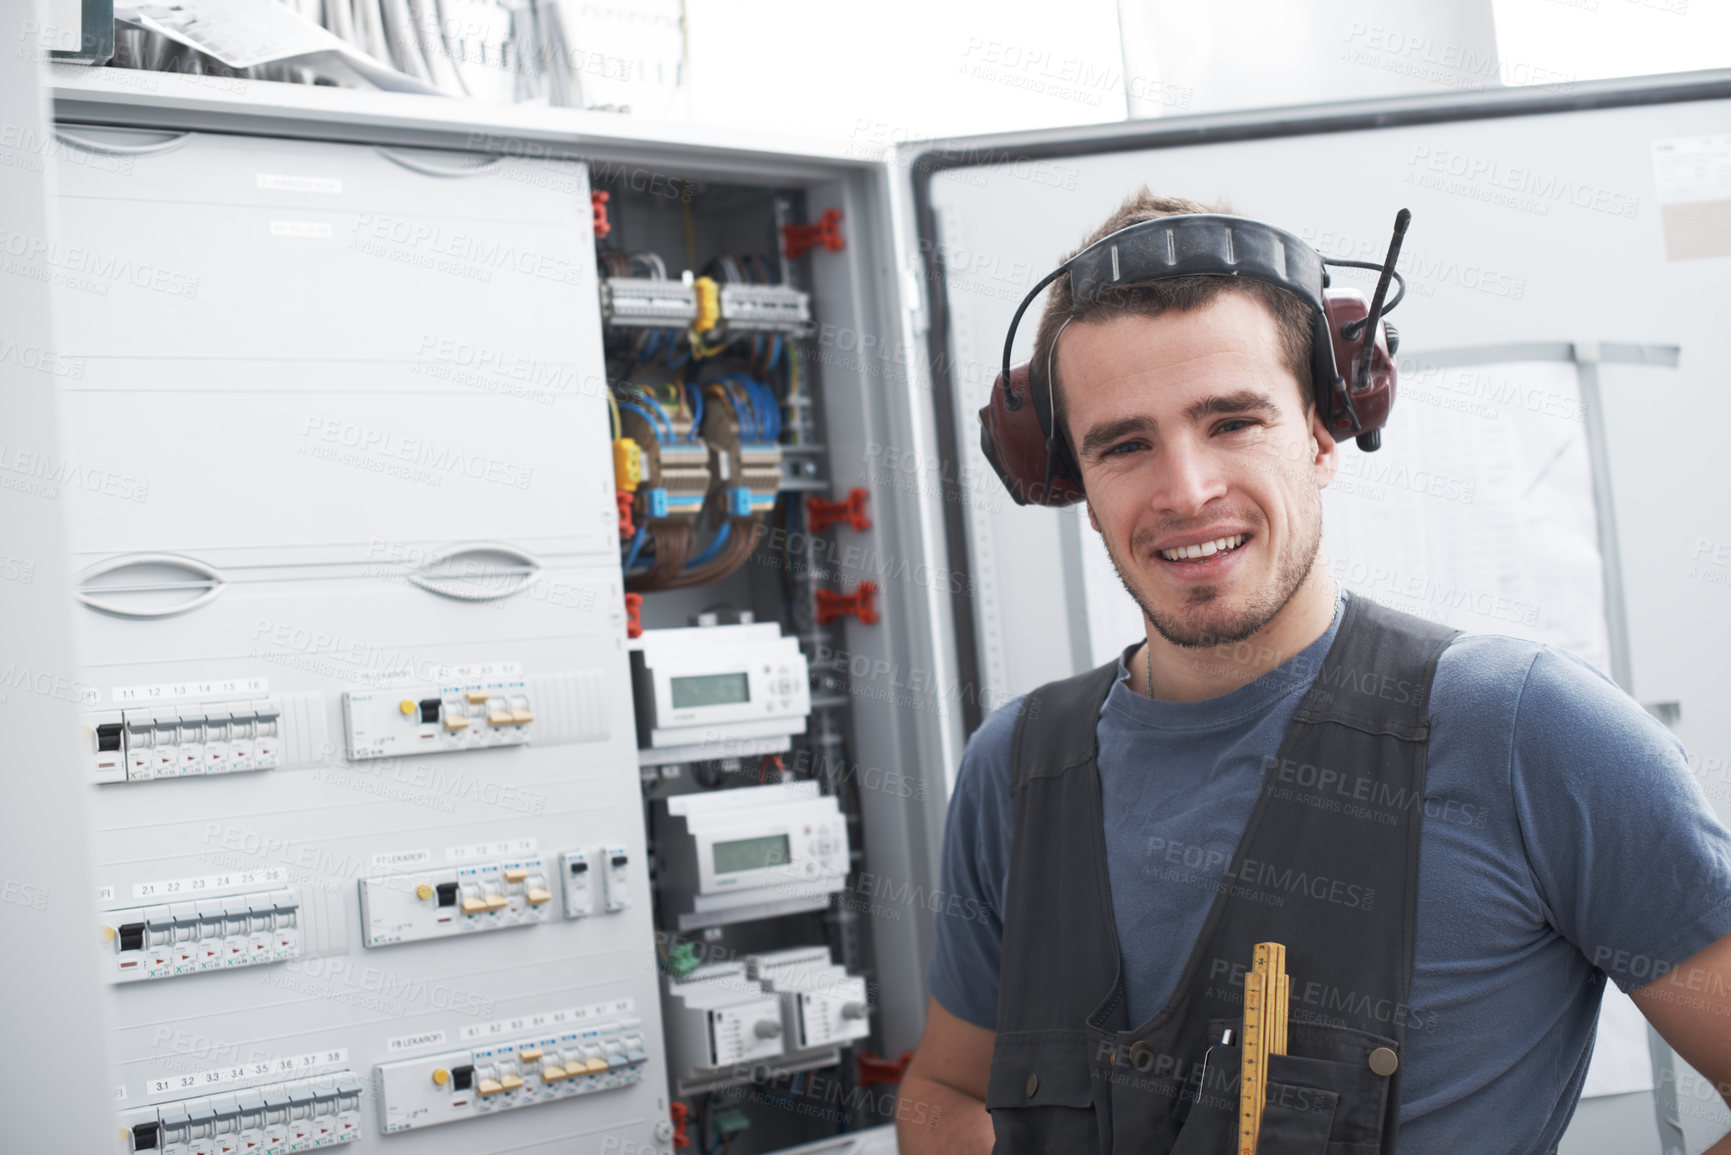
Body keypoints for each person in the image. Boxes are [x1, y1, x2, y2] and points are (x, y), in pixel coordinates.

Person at [896, 189, 1731, 1154]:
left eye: (1233, 422)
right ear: (1075, 486)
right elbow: (947, 1087)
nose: (1185, 489)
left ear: (1322, 435)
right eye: (1124, 444)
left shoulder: (1525, 733)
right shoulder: (1017, 769)